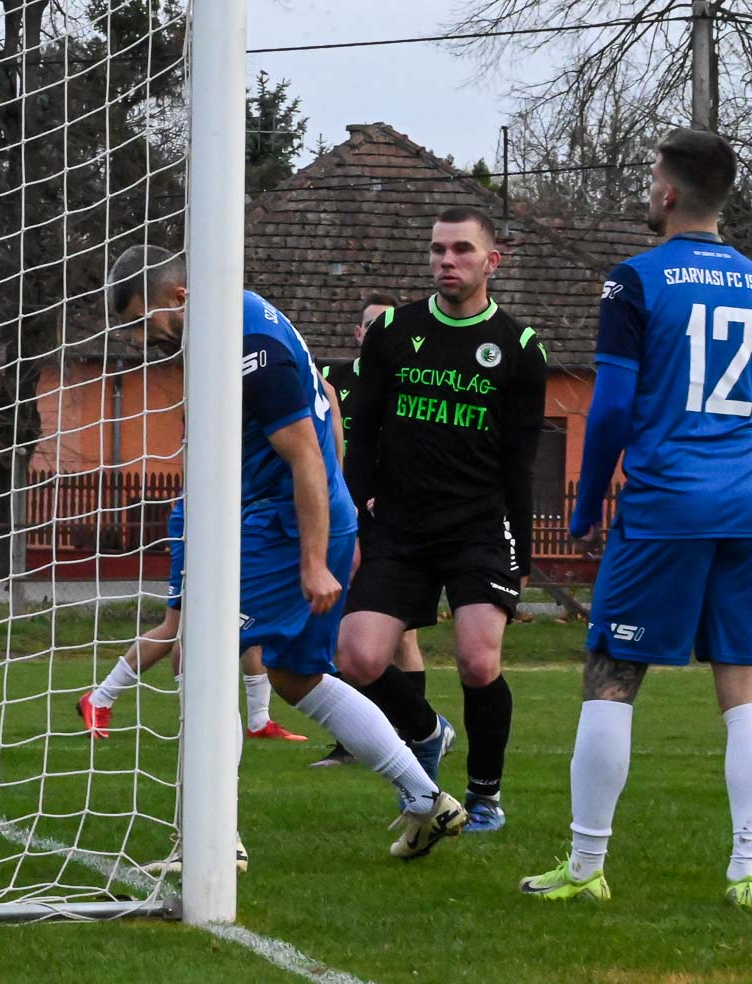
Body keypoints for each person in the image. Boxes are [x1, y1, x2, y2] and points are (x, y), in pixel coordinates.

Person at [113, 244, 466, 864]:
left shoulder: (252, 348)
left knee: (200, 656)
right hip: (303, 519)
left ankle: (211, 841)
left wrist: (314, 558)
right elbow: (327, 400)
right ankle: (425, 797)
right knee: (296, 676)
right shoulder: (245, 316)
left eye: (146, 322)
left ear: (180, 297)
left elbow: (304, 452)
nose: (144, 339)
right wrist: (338, 520)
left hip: (281, 526)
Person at [520, 129, 752, 909]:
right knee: (747, 686)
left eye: (650, 179)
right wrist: (746, 481)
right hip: (747, 507)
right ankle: (748, 873)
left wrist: (584, 505)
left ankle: (585, 866)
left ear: (668, 193)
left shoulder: (636, 280)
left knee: (610, 677)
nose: (647, 190)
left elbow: (609, 409)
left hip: (667, 504)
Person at [337, 206, 547, 833]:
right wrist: (355, 523)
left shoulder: (519, 348)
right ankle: (427, 730)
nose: (446, 261)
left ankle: (485, 798)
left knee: (478, 662)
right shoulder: (392, 331)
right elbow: (362, 437)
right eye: (437, 250)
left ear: (491, 261)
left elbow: (521, 463)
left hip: (479, 527)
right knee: (356, 658)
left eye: (461, 250)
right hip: (399, 528)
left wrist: (522, 550)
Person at [312, 292, 426, 770]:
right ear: (358, 333)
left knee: (403, 637)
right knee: (344, 629)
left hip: (397, 521)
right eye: (369, 325)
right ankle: (352, 741)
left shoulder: (413, 382)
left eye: (386, 324)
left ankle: (415, 732)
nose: (376, 333)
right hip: (347, 519)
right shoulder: (331, 381)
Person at [77, 537, 311, 744]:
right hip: (197, 532)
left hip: (239, 534)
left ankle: (259, 721)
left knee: (250, 619)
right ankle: (101, 699)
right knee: (179, 628)